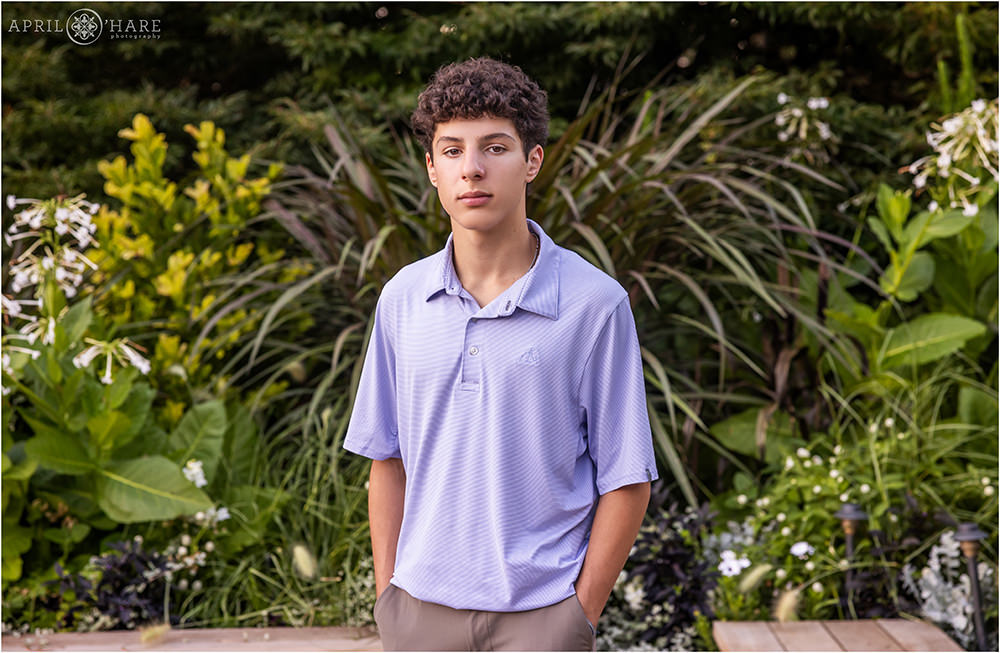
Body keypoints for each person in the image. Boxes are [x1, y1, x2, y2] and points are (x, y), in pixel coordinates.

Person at [343, 57, 658, 651]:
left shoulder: (595, 304)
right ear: (432, 168)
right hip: (418, 613)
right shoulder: (402, 299)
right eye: (454, 151)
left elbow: (627, 479)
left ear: (532, 160)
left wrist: (577, 615)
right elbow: (386, 460)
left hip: (542, 617)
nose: (474, 169)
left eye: (495, 147)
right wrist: (389, 600)